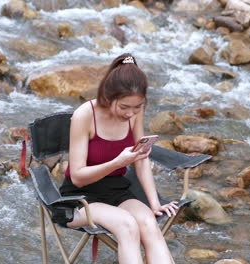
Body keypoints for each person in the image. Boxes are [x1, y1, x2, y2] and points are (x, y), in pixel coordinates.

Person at [60, 53, 178, 264]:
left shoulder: (134, 113)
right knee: (127, 225)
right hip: (81, 197)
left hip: (117, 189)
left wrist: (154, 203)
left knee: (148, 224)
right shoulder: (85, 115)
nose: (130, 114)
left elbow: (140, 158)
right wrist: (117, 162)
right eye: (124, 107)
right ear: (108, 97)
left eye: (138, 107)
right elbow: (77, 177)